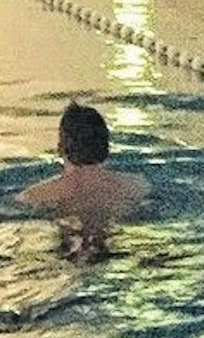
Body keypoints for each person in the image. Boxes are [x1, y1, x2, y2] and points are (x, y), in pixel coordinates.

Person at [19, 103, 150, 257]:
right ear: (106, 148)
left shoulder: (37, 194)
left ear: (60, 148)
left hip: (63, 254)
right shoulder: (136, 186)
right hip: (118, 250)